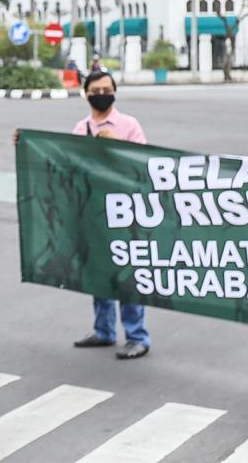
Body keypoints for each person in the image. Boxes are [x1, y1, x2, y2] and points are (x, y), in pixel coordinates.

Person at [72, 69, 152, 359]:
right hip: (94, 212)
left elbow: (143, 166)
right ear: (87, 94)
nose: (102, 94)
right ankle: (104, 330)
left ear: (115, 91)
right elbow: (68, 163)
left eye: (107, 88)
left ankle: (137, 336)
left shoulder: (129, 125)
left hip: (126, 212)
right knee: (100, 273)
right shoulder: (81, 129)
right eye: (96, 90)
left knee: (127, 274)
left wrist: (116, 143)